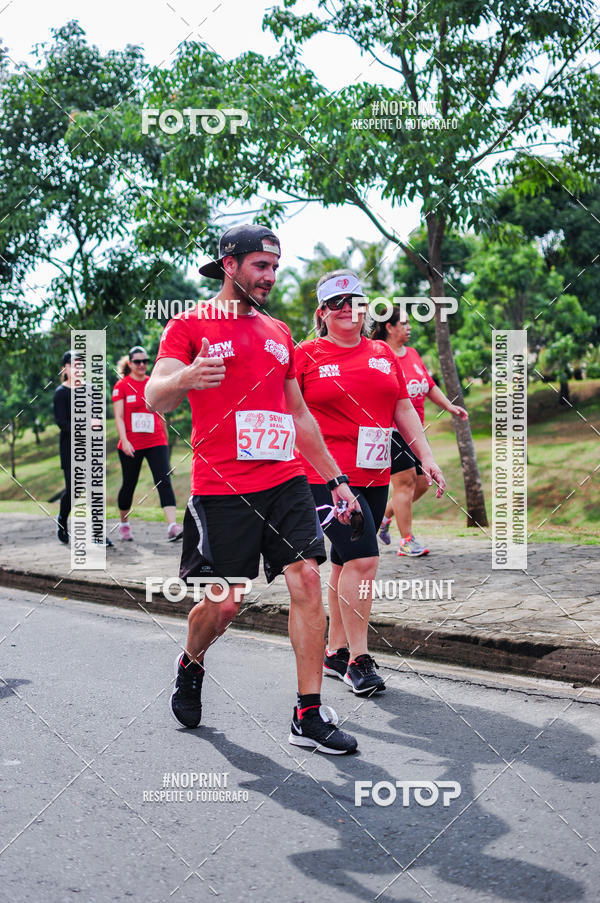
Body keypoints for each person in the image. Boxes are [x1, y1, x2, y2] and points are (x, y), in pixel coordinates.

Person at [146, 223, 361, 755]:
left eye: (275, 267)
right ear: (230, 265)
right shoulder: (189, 324)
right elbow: (155, 395)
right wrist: (185, 378)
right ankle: (191, 662)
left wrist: (335, 479)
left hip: (286, 480)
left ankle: (308, 714)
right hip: (222, 488)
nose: (270, 276)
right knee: (223, 606)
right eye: (260, 266)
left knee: (307, 579)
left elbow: (299, 413)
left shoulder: (278, 331)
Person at [295, 270, 446, 695]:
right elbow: (290, 413)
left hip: (374, 473)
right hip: (325, 477)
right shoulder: (305, 355)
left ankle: (335, 651)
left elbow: (403, 408)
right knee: (364, 560)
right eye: (336, 303)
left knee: (346, 562)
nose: (347, 309)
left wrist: (426, 457)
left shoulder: (382, 352)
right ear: (322, 313)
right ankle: (359, 661)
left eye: (355, 301)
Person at [372, 307, 468, 556]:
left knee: (423, 482)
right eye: (403, 323)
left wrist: (450, 406)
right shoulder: (378, 354)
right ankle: (406, 540)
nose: (409, 327)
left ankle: (384, 516)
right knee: (404, 483)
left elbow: (429, 385)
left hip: (415, 433)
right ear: (389, 327)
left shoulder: (412, 354)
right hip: (391, 431)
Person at [112, 346, 183, 542]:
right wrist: (125, 441)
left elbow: (160, 412)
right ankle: (124, 524)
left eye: (145, 361)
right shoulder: (121, 386)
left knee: (164, 481)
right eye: (138, 361)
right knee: (129, 484)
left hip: (155, 441)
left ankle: (172, 527)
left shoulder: (154, 383)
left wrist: (165, 437)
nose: (142, 365)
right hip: (132, 443)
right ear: (130, 364)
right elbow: (118, 417)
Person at [53, 350, 113, 547]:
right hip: (70, 449)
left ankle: (98, 533)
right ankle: (62, 519)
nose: (79, 368)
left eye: (81, 365)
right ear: (65, 368)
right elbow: (62, 423)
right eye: (74, 365)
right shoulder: (61, 393)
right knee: (74, 490)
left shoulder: (91, 389)